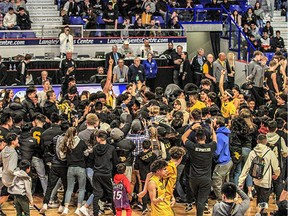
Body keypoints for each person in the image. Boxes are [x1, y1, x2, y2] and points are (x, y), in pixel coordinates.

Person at [182, 124, 217, 216]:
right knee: (201, 201)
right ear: (205, 137)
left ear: (196, 138)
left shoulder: (193, 147)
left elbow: (183, 137)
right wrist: (212, 129)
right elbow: (215, 139)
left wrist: (191, 128)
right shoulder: (211, 147)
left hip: (193, 178)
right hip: (205, 179)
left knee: (198, 199)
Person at [238, 134, 280, 204]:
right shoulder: (269, 152)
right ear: (266, 141)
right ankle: (262, 213)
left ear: (257, 141)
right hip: (266, 181)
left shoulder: (252, 152)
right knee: (263, 203)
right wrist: (277, 174)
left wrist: (241, 181)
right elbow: (276, 167)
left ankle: (258, 213)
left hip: (256, 180)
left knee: (259, 200)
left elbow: (246, 167)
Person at [60, 127, 87, 215]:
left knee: (69, 189)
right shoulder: (82, 142)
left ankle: (66, 208)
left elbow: (62, 156)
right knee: (82, 189)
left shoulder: (66, 143)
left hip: (70, 168)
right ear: (76, 133)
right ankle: (78, 208)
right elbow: (86, 153)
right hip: (81, 168)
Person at [92, 130, 119, 215]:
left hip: (96, 173)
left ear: (99, 138)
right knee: (111, 193)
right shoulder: (111, 148)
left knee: (96, 194)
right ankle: (115, 212)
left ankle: (95, 213)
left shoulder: (95, 148)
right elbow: (115, 162)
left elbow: (92, 159)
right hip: (107, 174)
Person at [212, 116, 233, 201]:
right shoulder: (225, 132)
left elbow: (217, 152)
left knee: (216, 181)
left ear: (217, 125)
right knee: (224, 183)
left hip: (222, 163)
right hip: (228, 161)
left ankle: (221, 200)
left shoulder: (219, 135)